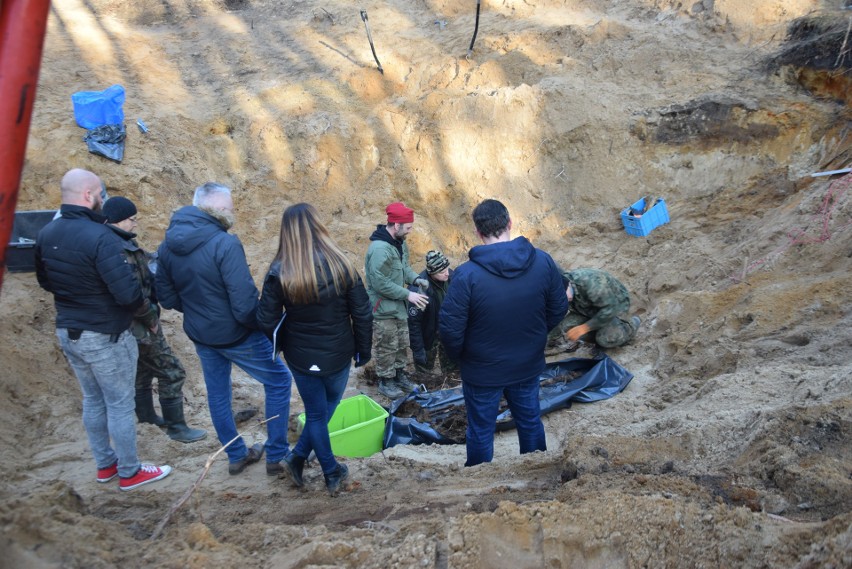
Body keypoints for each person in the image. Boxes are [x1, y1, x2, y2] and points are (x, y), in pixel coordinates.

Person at [35, 168, 172, 491]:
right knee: (119, 403)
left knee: (93, 400)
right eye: (100, 193)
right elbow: (127, 294)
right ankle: (129, 471)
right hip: (106, 334)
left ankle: (105, 465)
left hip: (69, 331)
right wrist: (147, 313)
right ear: (88, 196)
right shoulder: (100, 237)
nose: (102, 199)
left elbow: (45, 281)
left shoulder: (47, 233)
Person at [155, 182, 292, 476]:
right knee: (279, 381)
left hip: (201, 334)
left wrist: (199, 312)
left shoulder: (165, 246)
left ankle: (236, 454)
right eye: (229, 208)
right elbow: (244, 304)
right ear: (215, 209)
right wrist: (264, 328)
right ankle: (277, 456)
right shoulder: (225, 243)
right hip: (237, 334)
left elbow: (166, 298)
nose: (233, 213)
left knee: (218, 395)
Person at [439, 199, 568, 467]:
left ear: (477, 232)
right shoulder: (542, 262)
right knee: (530, 421)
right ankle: (536, 474)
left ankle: (479, 482)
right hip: (526, 363)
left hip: (483, 370)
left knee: (481, 430)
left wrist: (463, 357)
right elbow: (558, 308)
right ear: (509, 223)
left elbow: (451, 330)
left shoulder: (465, 276)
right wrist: (535, 335)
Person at [257, 203, 372, 496]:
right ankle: (331, 472)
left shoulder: (279, 271)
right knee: (324, 411)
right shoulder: (342, 264)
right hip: (337, 353)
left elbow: (266, 320)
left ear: (287, 234)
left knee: (318, 413)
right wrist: (363, 350)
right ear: (319, 225)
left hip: (300, 355)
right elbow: (362, 313)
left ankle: (296, 459)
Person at [102, 196, 207, 444]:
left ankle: (147, 417)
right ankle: (177, 427)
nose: (135, 223)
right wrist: (150, 318)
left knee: (142, 370)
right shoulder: (121, 249)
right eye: (132, 219)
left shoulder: (114, 243)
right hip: (139, 324)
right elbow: (132, 292)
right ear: (118, 220)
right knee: (172, 371)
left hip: (126, 326)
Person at [364, 202, 430, 400]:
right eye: (408, 227)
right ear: (396, 225)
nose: (410, 230)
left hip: (398, 307)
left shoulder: (399, 243)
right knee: (386, 345)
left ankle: (400, 375)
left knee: (402, 343)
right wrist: (408, 294)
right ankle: (386, 381)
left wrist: (416, 279)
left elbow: (404, 269)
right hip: (383, 308)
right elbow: (379, 283)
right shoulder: (379, 249)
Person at [551, 268, 641, 349]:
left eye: (564, 295)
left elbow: (610, 309)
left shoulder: (590, 283)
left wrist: (585, 327)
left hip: (615, 308)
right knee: (565, 328)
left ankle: (631, 325)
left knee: (605, 339)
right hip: (588, 310)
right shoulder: (559, 290)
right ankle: (596, 331)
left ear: (568, 284)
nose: (564, 299)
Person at [407, 250, 457, 376]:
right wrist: (418, 349)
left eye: (447, 269)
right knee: (424, 369)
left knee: (453, 369)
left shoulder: (451, 276)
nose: (447, 274)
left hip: (447, 330)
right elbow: (414, 323)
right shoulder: (420, 290)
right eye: (441, 272)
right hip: (428, 332)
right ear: (431, 272)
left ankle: (450, 379)